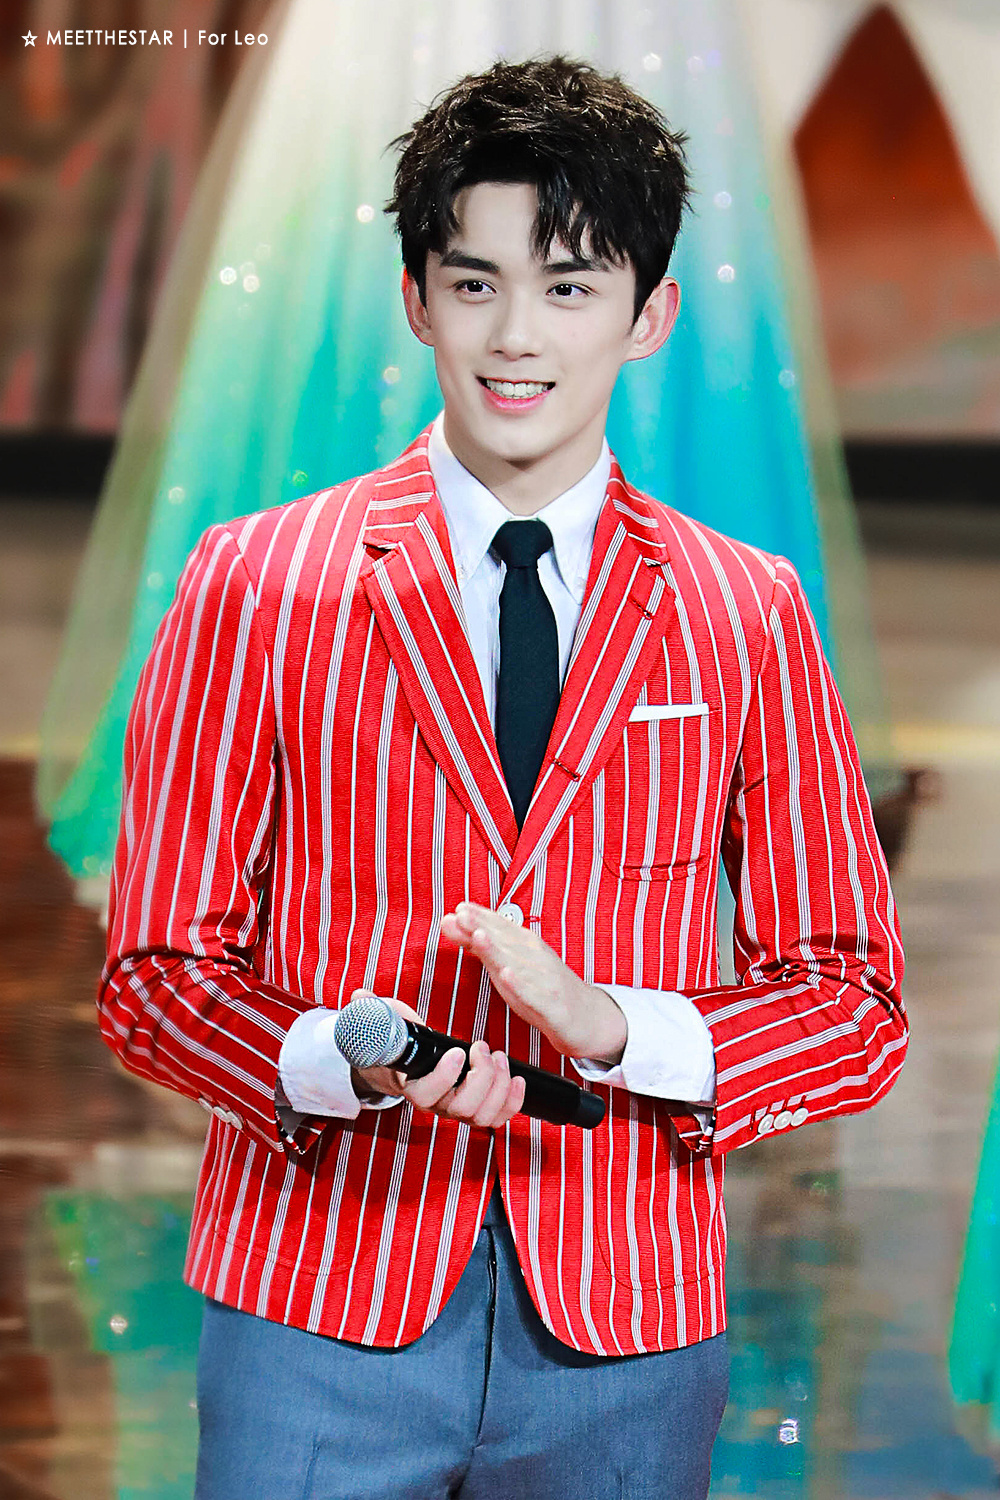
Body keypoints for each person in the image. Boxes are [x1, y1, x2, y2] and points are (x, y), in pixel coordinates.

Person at [99, 57, 907, 1500]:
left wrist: (617, 1028)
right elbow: (155, 978)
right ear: (418, 300)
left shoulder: (744, 608)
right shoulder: (256, 582)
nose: (516, 336)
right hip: (313, 1299)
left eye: (571, 287)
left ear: (650, 316)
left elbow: (854, 1002)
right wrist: (334, 1057)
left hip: (628, 1319)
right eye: (474, 284)